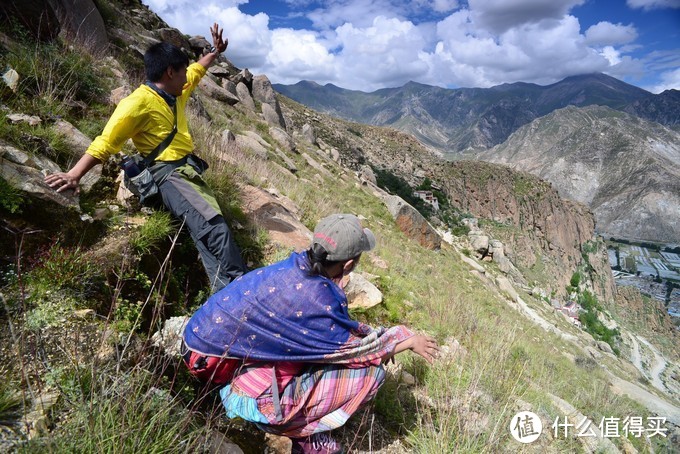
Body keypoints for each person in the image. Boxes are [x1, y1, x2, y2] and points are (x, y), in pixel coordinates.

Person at [182, 213, 439, 454]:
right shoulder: (318, 299)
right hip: (222, 378)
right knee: (372, 373)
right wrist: (405, 340)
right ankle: (301, 434)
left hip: (195, 346)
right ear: (348, 265)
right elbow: (357, 351)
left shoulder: (291, 267)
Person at [44, 23, 246, 291]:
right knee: (214, 227)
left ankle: (224, 294)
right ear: (169, 71)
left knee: (204, 235)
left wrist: (214, 52)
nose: (188, 77)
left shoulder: (175, 92)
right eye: (182, 71)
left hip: (186, 171)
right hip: (169, 175)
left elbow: (197, 72)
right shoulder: (136, 103)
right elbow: (106, 142)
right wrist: (74, 174)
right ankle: (245, 289)